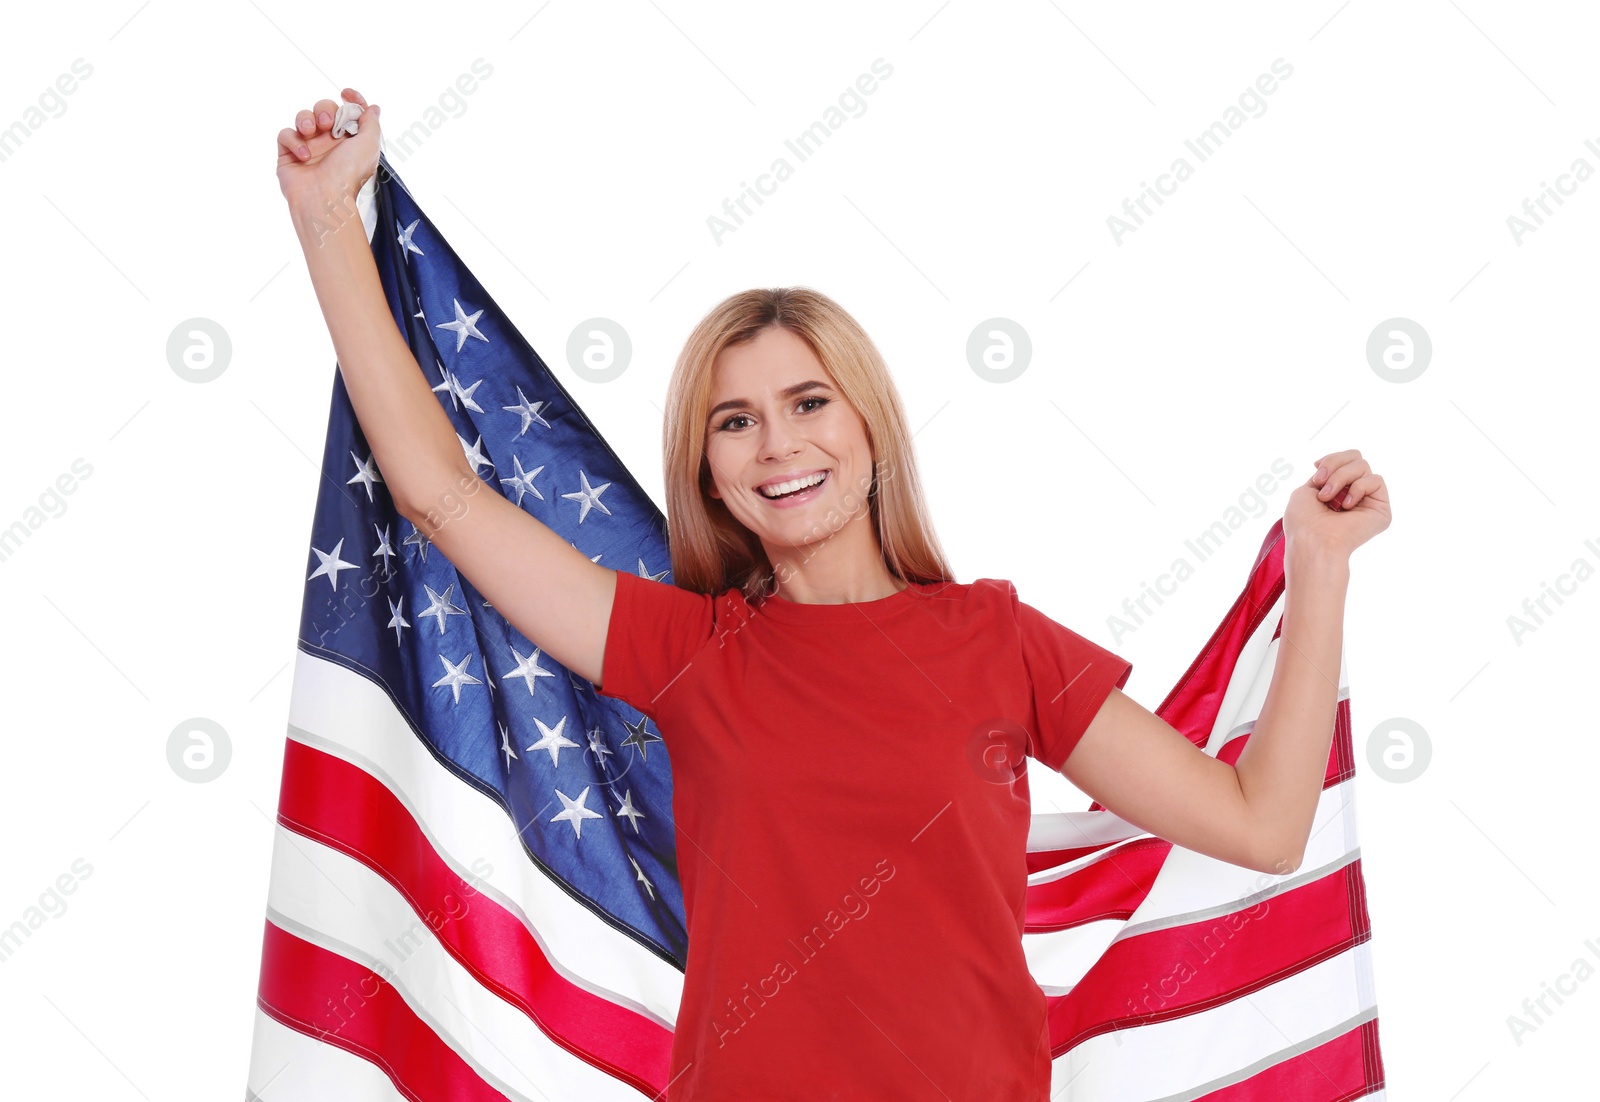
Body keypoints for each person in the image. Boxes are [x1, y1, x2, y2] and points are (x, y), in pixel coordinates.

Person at [276, 87, 1393, 1101]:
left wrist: (1320, 567)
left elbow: (1260, 822)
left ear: (868, 426)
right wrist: (330, 221)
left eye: (809, 403)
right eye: (735, 420)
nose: (778, 445)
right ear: (707, 465)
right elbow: (441, 497)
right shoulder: (688, 647)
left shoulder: (997, 641)